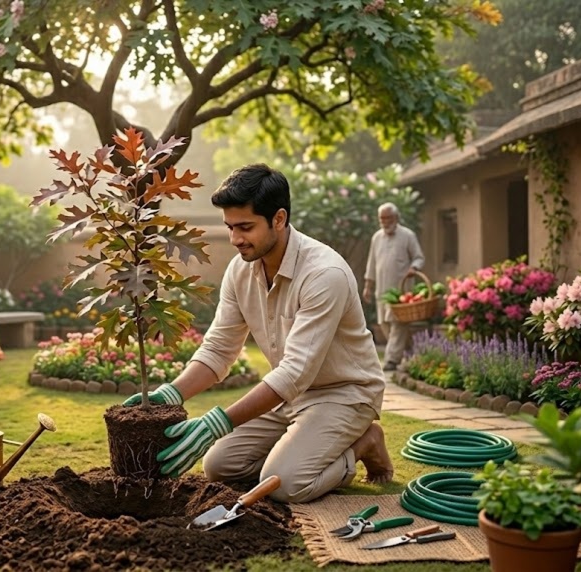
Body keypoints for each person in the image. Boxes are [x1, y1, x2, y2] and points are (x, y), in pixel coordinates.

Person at [122, 164, 394, 503]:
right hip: (291, 396)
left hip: (345, 394)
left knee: (285, 484)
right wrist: (171, 394)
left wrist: (216, 423)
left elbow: (295, 372)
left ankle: (364, 442)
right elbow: (220, 348)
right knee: (220, 465)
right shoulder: (241, 269)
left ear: (278, 219)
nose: (235, 238)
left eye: (245, 227)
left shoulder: (325, 274)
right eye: (230, 227)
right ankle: (301, 447)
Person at [362, 203, 425, 371]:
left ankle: (391, 360)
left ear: (396, 218)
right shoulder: (376, 237)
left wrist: (414, 268)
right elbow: (372, 263)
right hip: (381, 291)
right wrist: (368, 286)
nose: (384, 221)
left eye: (388, 218)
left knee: (398, 324)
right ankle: (407, 351)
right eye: (382, 218)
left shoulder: (407, 235)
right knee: (385, 324)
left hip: (401, 291)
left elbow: (419, 257)